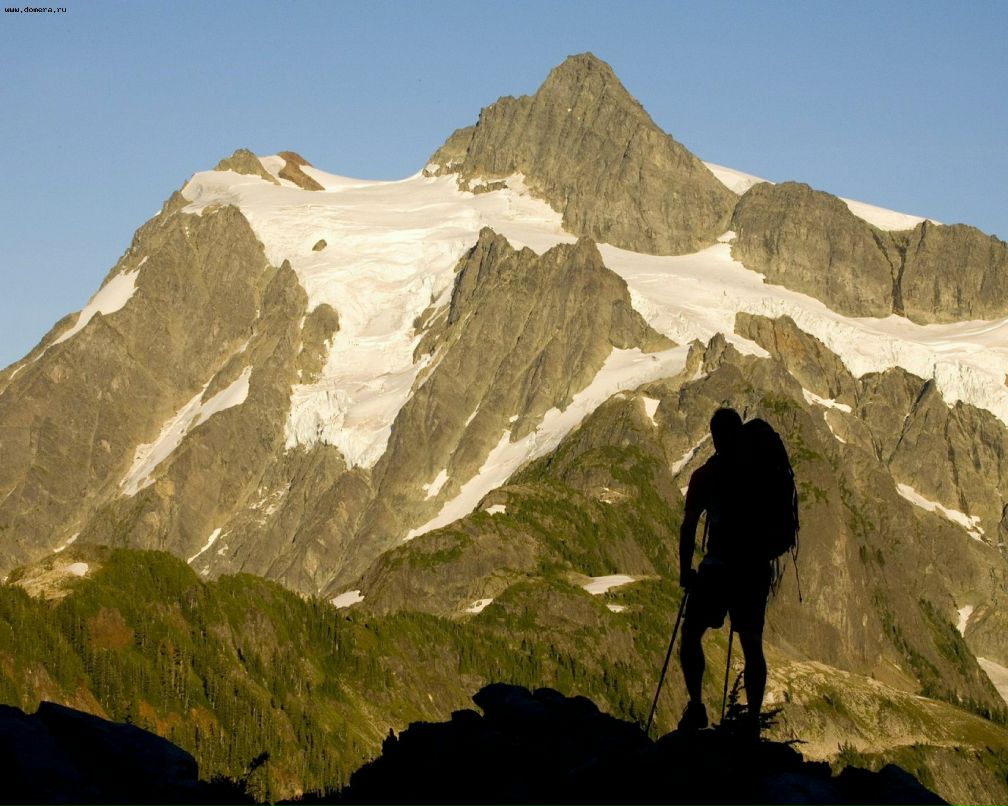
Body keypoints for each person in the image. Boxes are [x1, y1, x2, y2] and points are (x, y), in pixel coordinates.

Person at [677, 407, 771, 737]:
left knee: (691, 634)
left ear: (714, 437)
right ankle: (752, 720)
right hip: (754, 571)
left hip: (716, 569)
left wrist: (685, 571)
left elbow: (689, 526)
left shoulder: (706, 475)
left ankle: (696, 706)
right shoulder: (759, 471)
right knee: (752, 645)